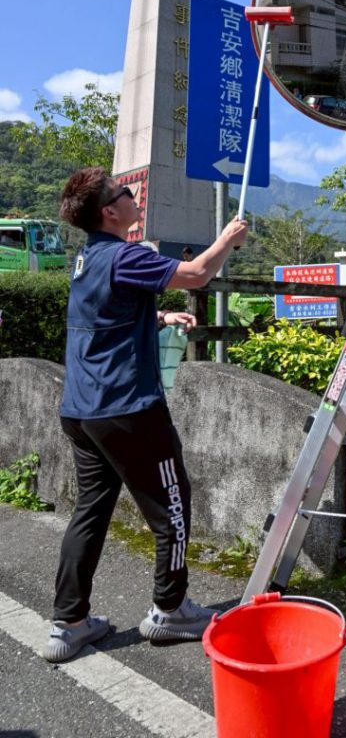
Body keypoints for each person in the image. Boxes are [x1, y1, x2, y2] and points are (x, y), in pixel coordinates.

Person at [43, 168, 248, 663]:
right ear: (109, 212)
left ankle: (68, 623)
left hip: (82, 410)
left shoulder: (87, 258)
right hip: (128, 409)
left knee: (90, 512)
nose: (133, 196)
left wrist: (158, 316)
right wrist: (226, 238)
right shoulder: (124, 254)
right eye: (124, 192)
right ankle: (170, 610)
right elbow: (197, 274)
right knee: (172, 506)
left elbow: (102, 314)